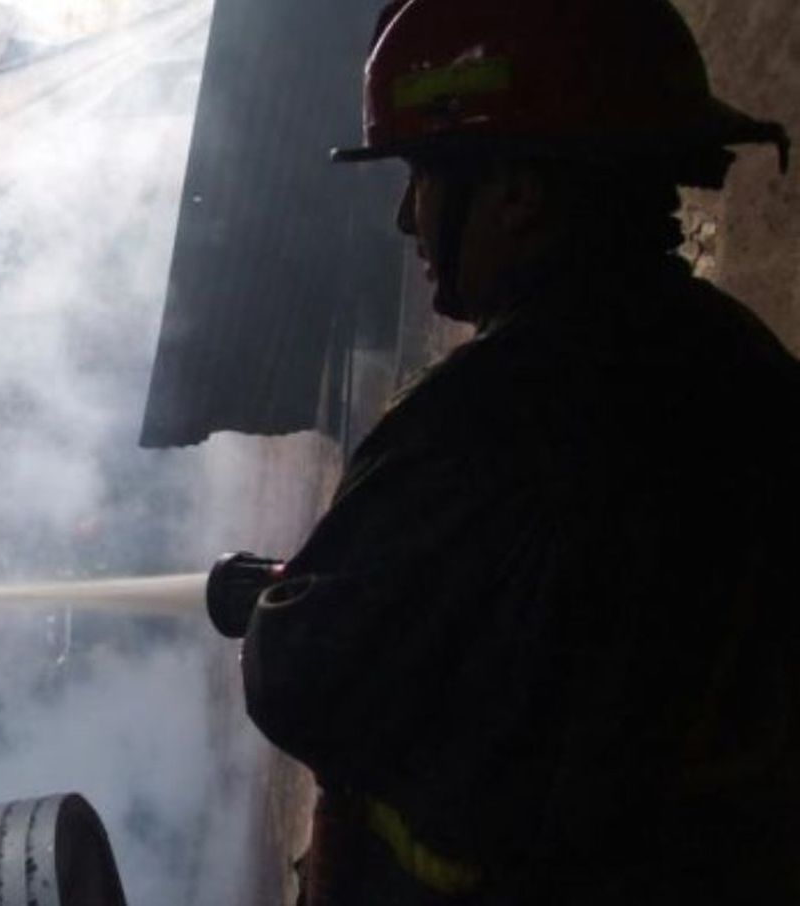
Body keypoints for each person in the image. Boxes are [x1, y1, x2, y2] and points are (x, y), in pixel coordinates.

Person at [238, 1, 800, 903]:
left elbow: (304, 679)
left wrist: (282, 606)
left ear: (515, 191)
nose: (406, 221)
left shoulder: (492, 411)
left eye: (421, 175)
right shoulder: (738, 358)